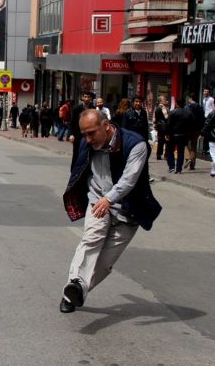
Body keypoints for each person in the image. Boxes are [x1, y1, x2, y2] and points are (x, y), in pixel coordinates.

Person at [60, 109, 161, 313]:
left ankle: (78, 289)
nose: (87, 139)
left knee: (105, 263)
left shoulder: (136, 144)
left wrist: (110, 199)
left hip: (128, 211)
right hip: (97, 202)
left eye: (91, 133)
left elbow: (129, 180)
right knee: (91, 240)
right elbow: (78, 169)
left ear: (106, 126)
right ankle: (73, 289)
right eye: (84, 134)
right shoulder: (85, 143)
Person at [166, 98, 193, 174]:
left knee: (170, 151)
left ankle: (171, 167)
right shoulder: (188, 113)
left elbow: (168, 124)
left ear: (177, 104)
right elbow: (191, 125)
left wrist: (167, 134)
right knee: (181, 152)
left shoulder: (172, 112)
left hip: (173, 135)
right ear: (184, 104)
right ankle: (179, 169)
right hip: (183, 135)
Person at [69, 91, 93, 170]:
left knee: (89, 152)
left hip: (90, 134)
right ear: (82, 98)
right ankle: (74, 169)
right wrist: (72, 134)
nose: (87, 98)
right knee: (77, 152)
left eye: (88, 97)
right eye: (85, 97)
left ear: (91, 98)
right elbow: (73, 122)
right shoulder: (77, 109)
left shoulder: (93, 109)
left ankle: (86, 169)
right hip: (78, 134)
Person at [184, 92, 205, 171]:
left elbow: (185, 118)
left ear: (190, 98)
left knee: (186, 144)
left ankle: (188, 158)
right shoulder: (200, 107)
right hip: (197, 129)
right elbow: (203, 119)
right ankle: (192, 164)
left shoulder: (187, 107)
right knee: (194, 146)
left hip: (188, 129)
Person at [153, 96, 170, 161]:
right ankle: (166, 155)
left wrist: (155, 125)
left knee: (160, 141)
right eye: (164, 99)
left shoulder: (157, 108)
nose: (166, 100)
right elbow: (167, 117)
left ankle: (159, 155)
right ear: (160, 101)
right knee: (167, 141)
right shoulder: (163, 108)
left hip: (159, 127)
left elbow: (155, 118)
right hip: (164, 126)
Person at [201, 86, 215, 155]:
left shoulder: (211, 99)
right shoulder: (204, 100)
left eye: (207, 91)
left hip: (209, 118)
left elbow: (213, 108)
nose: (205, 92)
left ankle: (208, 149)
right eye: (204, 91)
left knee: (208, 134)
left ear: (209, 92)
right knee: (204, 134)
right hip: (204, 117)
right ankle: (204, 149)